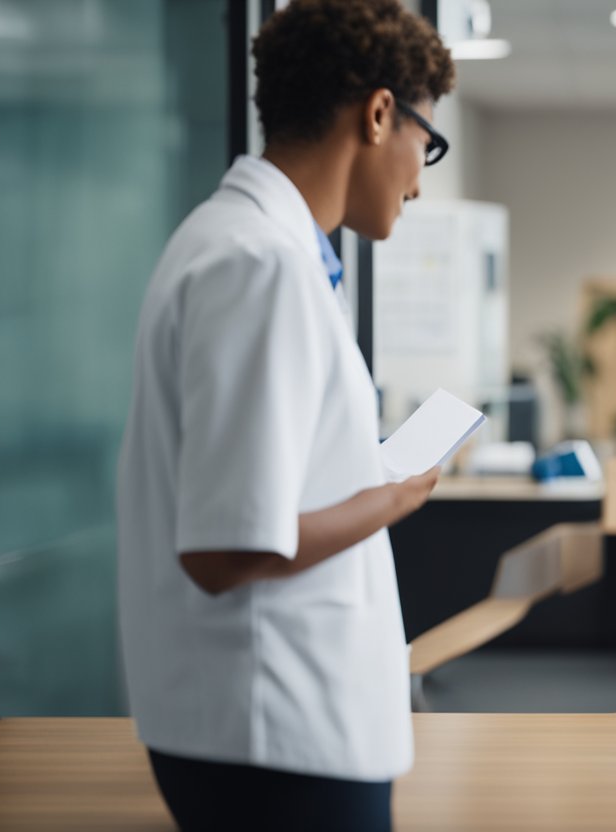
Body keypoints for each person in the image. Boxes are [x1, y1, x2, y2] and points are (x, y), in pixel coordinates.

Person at [115, 2, 454, 829]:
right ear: (379, 115)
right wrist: (398, 493)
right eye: (427, 144)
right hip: (277, 739)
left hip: (271, 729)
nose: (418, 179)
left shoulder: (247, 245)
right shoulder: (258, 263)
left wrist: (362, 469)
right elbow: (225, 548)